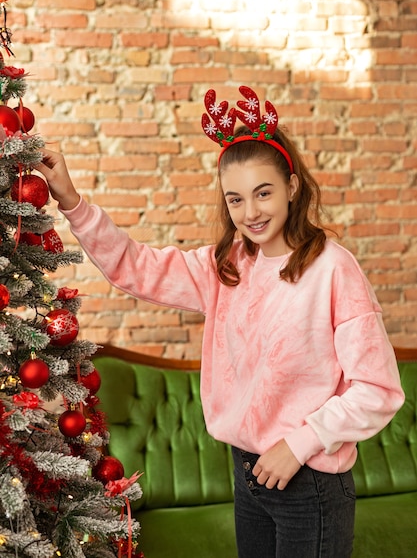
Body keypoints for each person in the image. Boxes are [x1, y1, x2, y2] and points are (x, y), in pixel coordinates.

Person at [36, 85, 404, 558]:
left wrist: (299, 443)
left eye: (263, 193)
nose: (250, 213)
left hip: (309, 480)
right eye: (235, 200)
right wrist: (70, 199)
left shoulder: (334, 269)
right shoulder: (226, 265)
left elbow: (378, 389)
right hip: (247, 473)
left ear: (293, 187)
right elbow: (135, 266)